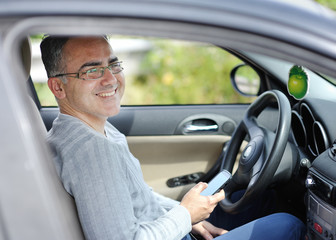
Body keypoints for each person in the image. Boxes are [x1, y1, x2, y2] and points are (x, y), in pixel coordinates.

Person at [41, 35, 305, 240]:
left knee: (263, 202)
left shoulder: (90, 127)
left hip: (169, 230)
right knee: (288, 224)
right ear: (57, 87)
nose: (111, 78)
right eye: (91, 70)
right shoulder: (92, 153)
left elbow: (140, 196)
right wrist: (185, 214)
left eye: (112, 64)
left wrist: (189, 217)